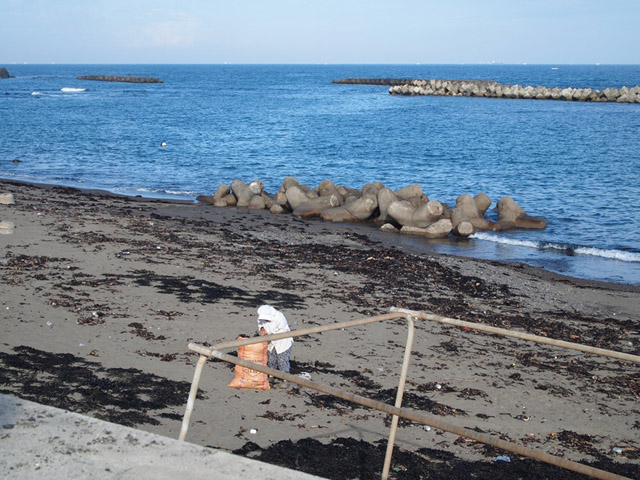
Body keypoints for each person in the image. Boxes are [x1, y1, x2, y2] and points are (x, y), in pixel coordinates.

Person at [257, 304, 293, 375]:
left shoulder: (279, 317)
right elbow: (260, 326)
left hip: (283, 342)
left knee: (282, 360)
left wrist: (268, 331)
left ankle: (285, 377)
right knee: (271, 360)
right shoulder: (261, 319)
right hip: (271, 342)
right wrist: (261, 329)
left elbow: (283, 330)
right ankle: (271, 375)